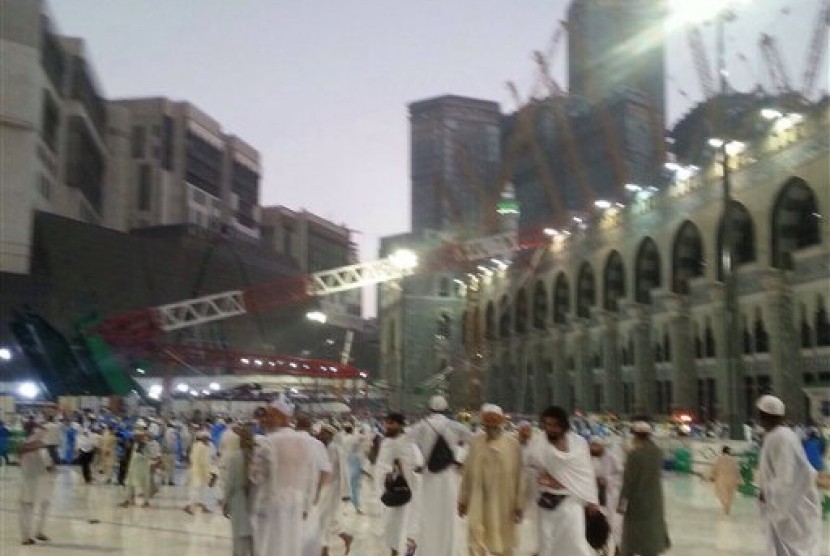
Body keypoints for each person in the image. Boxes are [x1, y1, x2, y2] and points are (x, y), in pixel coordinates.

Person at [249, 394, 317, 556]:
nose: (266, 419)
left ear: (282, 417)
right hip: (296, 505)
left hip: (270, 506)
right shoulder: (306, 442)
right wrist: (307, 505)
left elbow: (255, 476)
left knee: (268, 548)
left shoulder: (267, 442)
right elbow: (311, 477)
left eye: (271, 415)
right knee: (291, 547)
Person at [526, 405, 599, 556]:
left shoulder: (579, 444)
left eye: (554, 425)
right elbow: (530, 467)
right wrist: (542, 477)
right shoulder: (538, 443)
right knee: (547, 544)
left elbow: (586, 473)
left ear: (563, 425)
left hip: (571, 502)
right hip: (547, 503)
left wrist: (592, 500)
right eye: (547, 424)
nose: (550, 429)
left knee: (575, 542)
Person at [756, 395, 821, 556]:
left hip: (793, 508)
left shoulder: (781, 437)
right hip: (789, 506)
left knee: (794, 549)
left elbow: (787, 477)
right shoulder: (780, 435)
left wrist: (769, 493)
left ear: (764, 416)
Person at [406, 394, 472, 556]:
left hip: (428, 475)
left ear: (430, 409)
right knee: (447, 516)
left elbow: (407, 442)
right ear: (446, 409)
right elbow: (474, 443)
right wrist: (460, 459)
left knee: (428, 515)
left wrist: (419, 462)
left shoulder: (421, 426)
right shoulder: (456, 427)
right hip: (449, 476)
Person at [459, 404, 524, 556]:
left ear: (501, 422)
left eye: (494, 421)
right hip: (477, 497)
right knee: (475, 533)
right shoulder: (476, 442)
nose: (490, 425)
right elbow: (467, 472)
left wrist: (519, 504)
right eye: (487, 422)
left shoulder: (512, 444)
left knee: (502, 540)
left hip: (504, 500)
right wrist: (463, 500)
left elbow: (519, 476)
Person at [618, 421, 670, 556]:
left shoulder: (634, 455)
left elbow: (628, 481)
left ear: (635, 436)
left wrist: (621, 503)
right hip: (655, 500)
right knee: (653, 532)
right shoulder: (658, 452)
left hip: (637, 502)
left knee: (633, 536)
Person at [376, 412, 422, 556]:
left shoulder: (407, 442)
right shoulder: (386, 442)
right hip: (387, 490)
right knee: (390, 525)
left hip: (404, 490)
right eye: (386, 422)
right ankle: (397, 550)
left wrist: (398, 471)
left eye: (391, 423)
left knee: (401, 523)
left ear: (400, 425)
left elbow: (417, 464)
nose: (388, 426)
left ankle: (405, 549)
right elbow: (380, 465)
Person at [317, 423, 354, 556]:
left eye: (324, 433)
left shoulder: (337, 449)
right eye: (321, 433)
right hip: (320, 489)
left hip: (333, 488)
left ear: (330, 435)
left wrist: (346, 492)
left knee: (323, 519)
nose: (321, 435)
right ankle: (345, 537)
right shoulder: (318, 448)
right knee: (326, 519)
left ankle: (324, 551)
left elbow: (344, 471)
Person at [18, 422, 53, 545]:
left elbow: (48, 465)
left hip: (40, 480)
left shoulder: (37, 446)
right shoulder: (26, 445)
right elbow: (23, 448)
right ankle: (25, 536)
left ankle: (38, 532)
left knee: (43, 505)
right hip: (29, 481)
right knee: (27, 507)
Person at [224, 424, 255, 556]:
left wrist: (225, 503)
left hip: (238, 501)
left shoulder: (234, 457)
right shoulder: (258, 456)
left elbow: (229, 483)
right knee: (254, 542)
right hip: (255, 502)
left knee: (238, 543)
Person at [590, 436, 624, 549]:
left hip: (610, 495)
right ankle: (601, 547)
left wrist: (607, 480)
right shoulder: (589, 457)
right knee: (598, 525)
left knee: (614, 524)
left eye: (596, 446)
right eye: (592, 445)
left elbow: (621, 475)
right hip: (594, 495)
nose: (593, 448)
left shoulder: (612, 457)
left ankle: (618, 548)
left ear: (602, 446)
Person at [184, 431, 215, 514]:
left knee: (200, 490)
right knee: (197, 490)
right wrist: (208, 474)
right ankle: (189, 506)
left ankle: (202, 505)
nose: (208, 440)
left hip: (195, 470)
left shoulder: (195, 446)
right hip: (200, 472)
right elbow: (204, 462)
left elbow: (191, 458)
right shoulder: (203, 447)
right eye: (207, 438)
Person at [120, 430, 153, 508]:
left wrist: (141, 455)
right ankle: (127, 500)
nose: (135, 438)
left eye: (137, 436)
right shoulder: (135, 445)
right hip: (133, 467)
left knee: (144, 485)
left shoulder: (146, 445)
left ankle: (146, 502)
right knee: (129, 484)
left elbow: (149, 456)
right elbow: (132, 456)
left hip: (142, 469)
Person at [708, 446, 740, 516]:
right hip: (732, 480)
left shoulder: (719, 459)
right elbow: (737, 471)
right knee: (730, 495)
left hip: (721, 479)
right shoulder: (734, 460)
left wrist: (711, 477)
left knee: (722, 494)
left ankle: (725, 507)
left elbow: (714, 468)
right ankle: (728, 508)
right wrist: (739, 480)